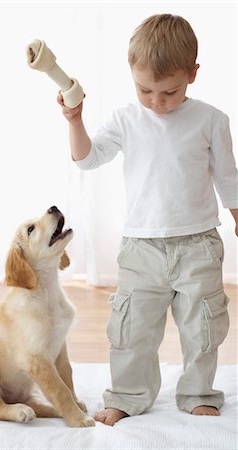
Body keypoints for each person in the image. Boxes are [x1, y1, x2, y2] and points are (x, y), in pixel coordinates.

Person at [57, 13, 238, 426]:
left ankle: (197, 391)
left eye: (169, 91)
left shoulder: (211, 120)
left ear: (193, 74)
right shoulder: (126, 119)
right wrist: (75, 120)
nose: (157, 101)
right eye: (145, 90)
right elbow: (87, 159)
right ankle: (128, 394)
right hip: (141, 247)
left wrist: (237, 216)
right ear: (132, 76)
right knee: (132, 328)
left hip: (198, 244)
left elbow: (228, 177)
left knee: (203, 328)